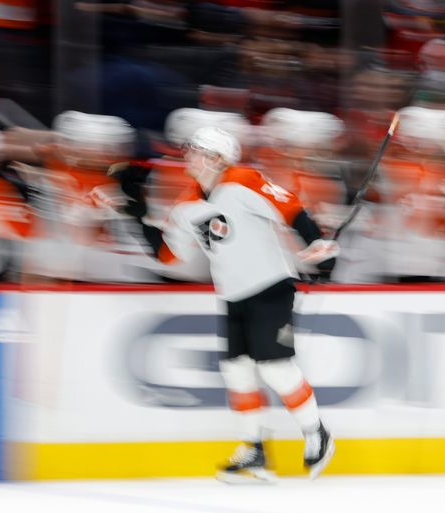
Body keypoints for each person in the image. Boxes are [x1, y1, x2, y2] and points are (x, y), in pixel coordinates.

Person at [95, 125, 338, 483]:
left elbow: (290, 208)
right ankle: (254, 450)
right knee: (237, 370)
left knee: (274, 368)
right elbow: (167, 253)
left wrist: (319, 246)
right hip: (232, 294)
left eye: (194, 150)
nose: (186, 156)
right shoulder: (187, 204)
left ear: (216, 157)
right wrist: (134, 213)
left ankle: (317, 433)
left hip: (271, 286)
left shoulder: (242, 179)